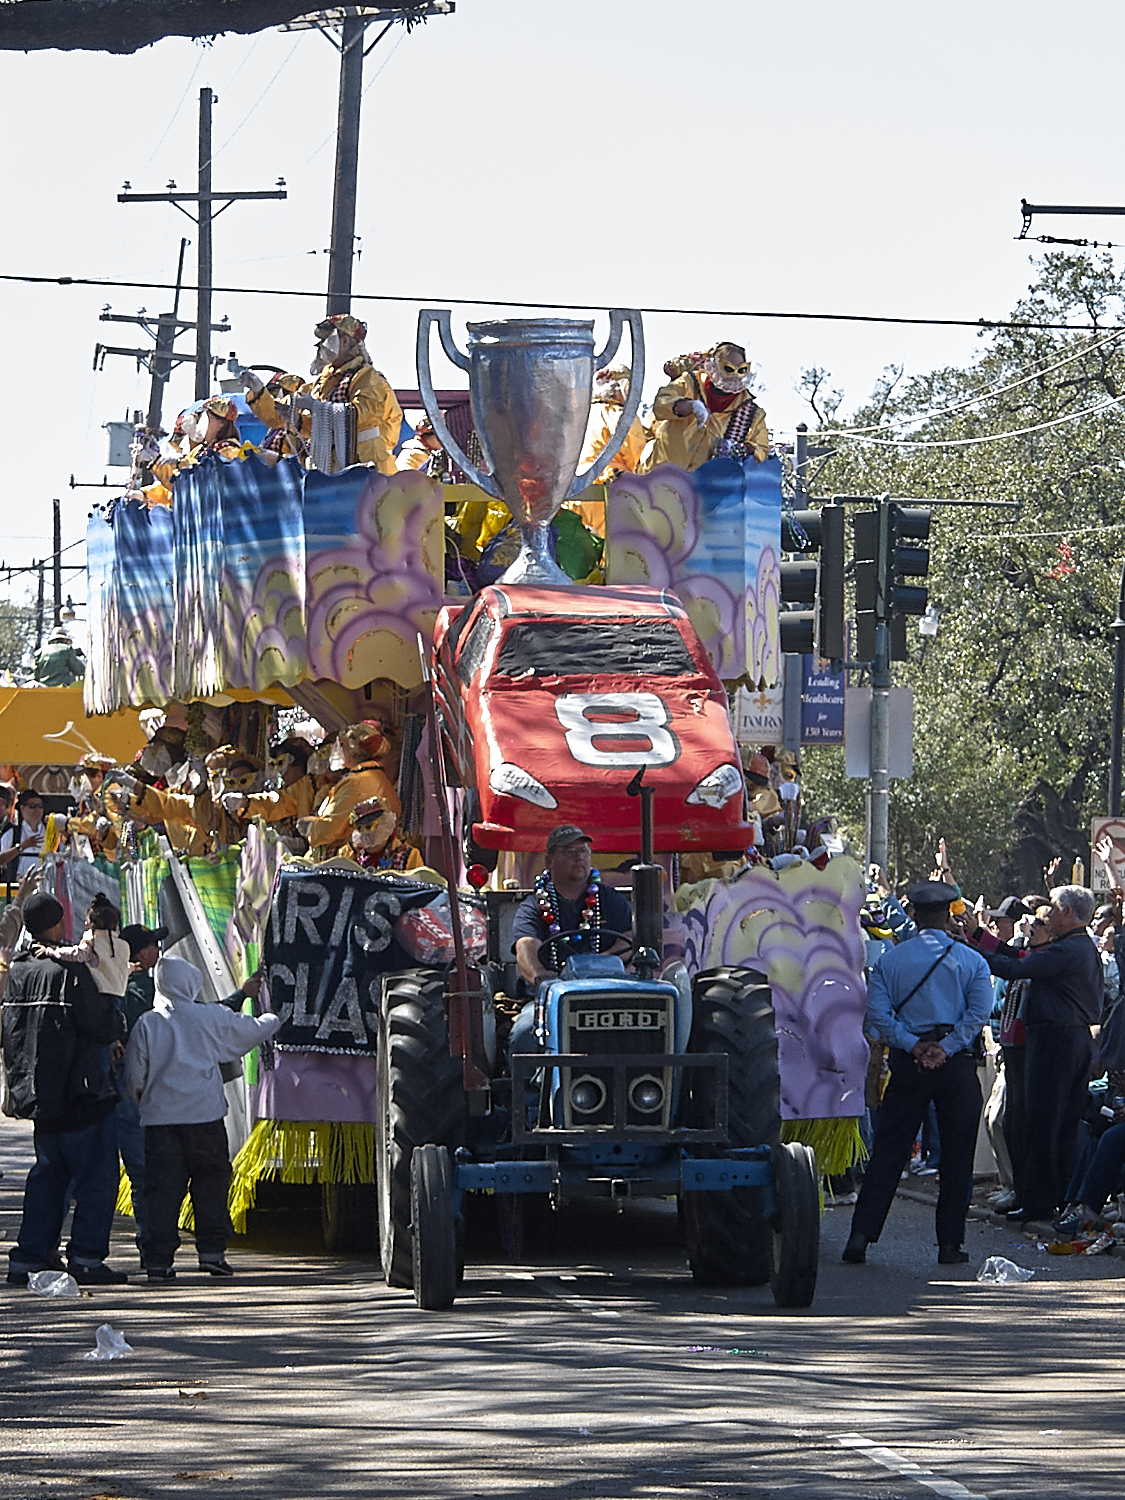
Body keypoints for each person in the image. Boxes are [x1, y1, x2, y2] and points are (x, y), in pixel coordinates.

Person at [842, 880, 994, 1266]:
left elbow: (878, 1015)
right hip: (956, 1064)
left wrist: (913, 1046)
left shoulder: (890, 961)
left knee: (889, 1153)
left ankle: (860, 1238)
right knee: (957, 1158)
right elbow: (977, 1015)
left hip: (909, 1065)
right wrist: (946, 1047)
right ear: (948, 916)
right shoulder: (971, 960)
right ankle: (949, 1245)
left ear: (914, 915)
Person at [123, 954, 281, 1281]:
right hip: (205, 1120)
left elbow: (134, 1077)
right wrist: (276, 1017)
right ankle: (211, 1253)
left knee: (162, 1191)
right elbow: (251, 1030)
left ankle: (158, 1262)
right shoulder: (209, 1017)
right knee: (210, 1185)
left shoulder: (148, 1023)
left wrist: (146, 1102)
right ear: (192, 983)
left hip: (160, 1124)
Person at [3, 892, 127, 1286]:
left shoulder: (21, 970)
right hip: (82, 1094)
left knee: (48, 1177)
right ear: (59, 922)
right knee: (95, 1178)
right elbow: (102, 1027)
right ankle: (87, 1258)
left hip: (39, 1096)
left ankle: (30, 1257)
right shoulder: (72, 973)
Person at [978, 884, 1102, 1224]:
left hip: (1056, 1041)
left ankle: (1039, 1203)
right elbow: (1018, 956)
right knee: (1057, 1123)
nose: (1044, 917)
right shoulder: (1074, 947)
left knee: (1044, 1123)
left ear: (1066, 913)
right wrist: (976, 936)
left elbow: (1016, 968)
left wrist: (969, 950)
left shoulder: (1069, 950)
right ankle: (1055, 1197)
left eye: (1054, 909)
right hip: (1069, 1040)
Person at [241, 313, 403, 475]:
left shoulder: (370, 379)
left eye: (326, 340)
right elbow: (277, 415)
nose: (320, 346)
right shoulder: (320, 384)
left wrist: (315, 407)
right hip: (327, 470)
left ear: (345, 341)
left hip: (366, 468)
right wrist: (258, 390)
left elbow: (359, 415)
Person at [643, 343, 769, 473]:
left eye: (742, 370)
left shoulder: (752, 414)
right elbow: (661, 404)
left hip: (704, 488)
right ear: (714, 366)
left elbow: (761, 449)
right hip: (660, 476)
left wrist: (741, 449)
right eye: (728, 369)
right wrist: (688, 405)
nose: (735, 376)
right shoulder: (689, 382)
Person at [297, 721, 401, 861]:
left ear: (352, 750)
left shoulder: (355, 783)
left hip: (350, 860)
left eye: (341, 746)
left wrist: (311, 827)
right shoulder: (379, 777)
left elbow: (329, 829)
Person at [0, 790, 47, 878]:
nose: (37, 810)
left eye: (40, 806)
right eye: (32, 806)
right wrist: (22, 847)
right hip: (18, 888)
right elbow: (1, 859)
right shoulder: (13, 833)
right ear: (22, 808)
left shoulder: (51, 832)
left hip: (46, 887)